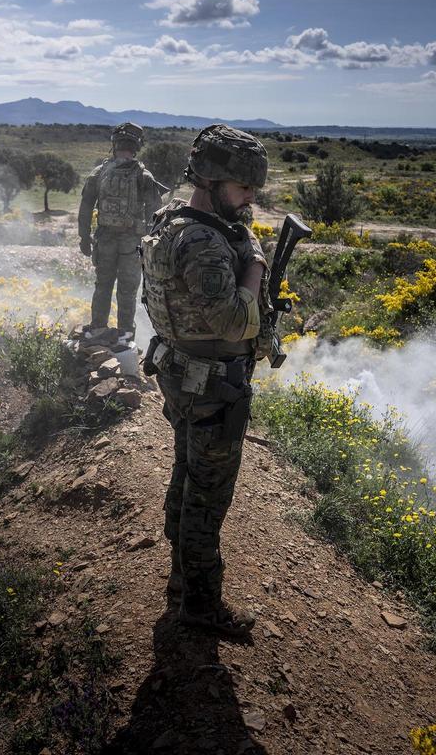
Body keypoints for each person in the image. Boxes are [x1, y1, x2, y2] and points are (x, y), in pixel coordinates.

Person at [139, 124, 276, 636]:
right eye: (244, 188)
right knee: (207, 498)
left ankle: (181, 583)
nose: (251, 198)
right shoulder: (204, 243)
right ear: (212, 182)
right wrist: (255, 265)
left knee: (187, 476)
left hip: (184, 377)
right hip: (213, 389)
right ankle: (200, 605)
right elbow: (235, 322)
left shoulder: (172, 220)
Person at [78, 122, 166, 336]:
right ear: (137, 146)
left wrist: (84, 237)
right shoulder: (144, 176)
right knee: (127, 291)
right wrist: (152, 247)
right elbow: (156, 215)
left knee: (103, 286)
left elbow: (86, 206)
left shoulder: (99, 172)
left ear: (114, 144)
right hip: (132, 244)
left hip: (104, 241)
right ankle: (125, 335)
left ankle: (98, 328)